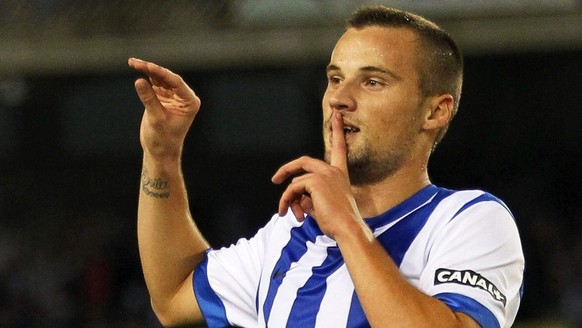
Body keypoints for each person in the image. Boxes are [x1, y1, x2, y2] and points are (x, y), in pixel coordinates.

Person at [129, 5, 524, 328]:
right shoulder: (290, 236)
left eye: (372, 82)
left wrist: (348, 226)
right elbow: (174, 295)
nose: (339, 99)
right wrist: (161, 156)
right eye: (335, 78)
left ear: (435, 111)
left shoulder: (469, 221)